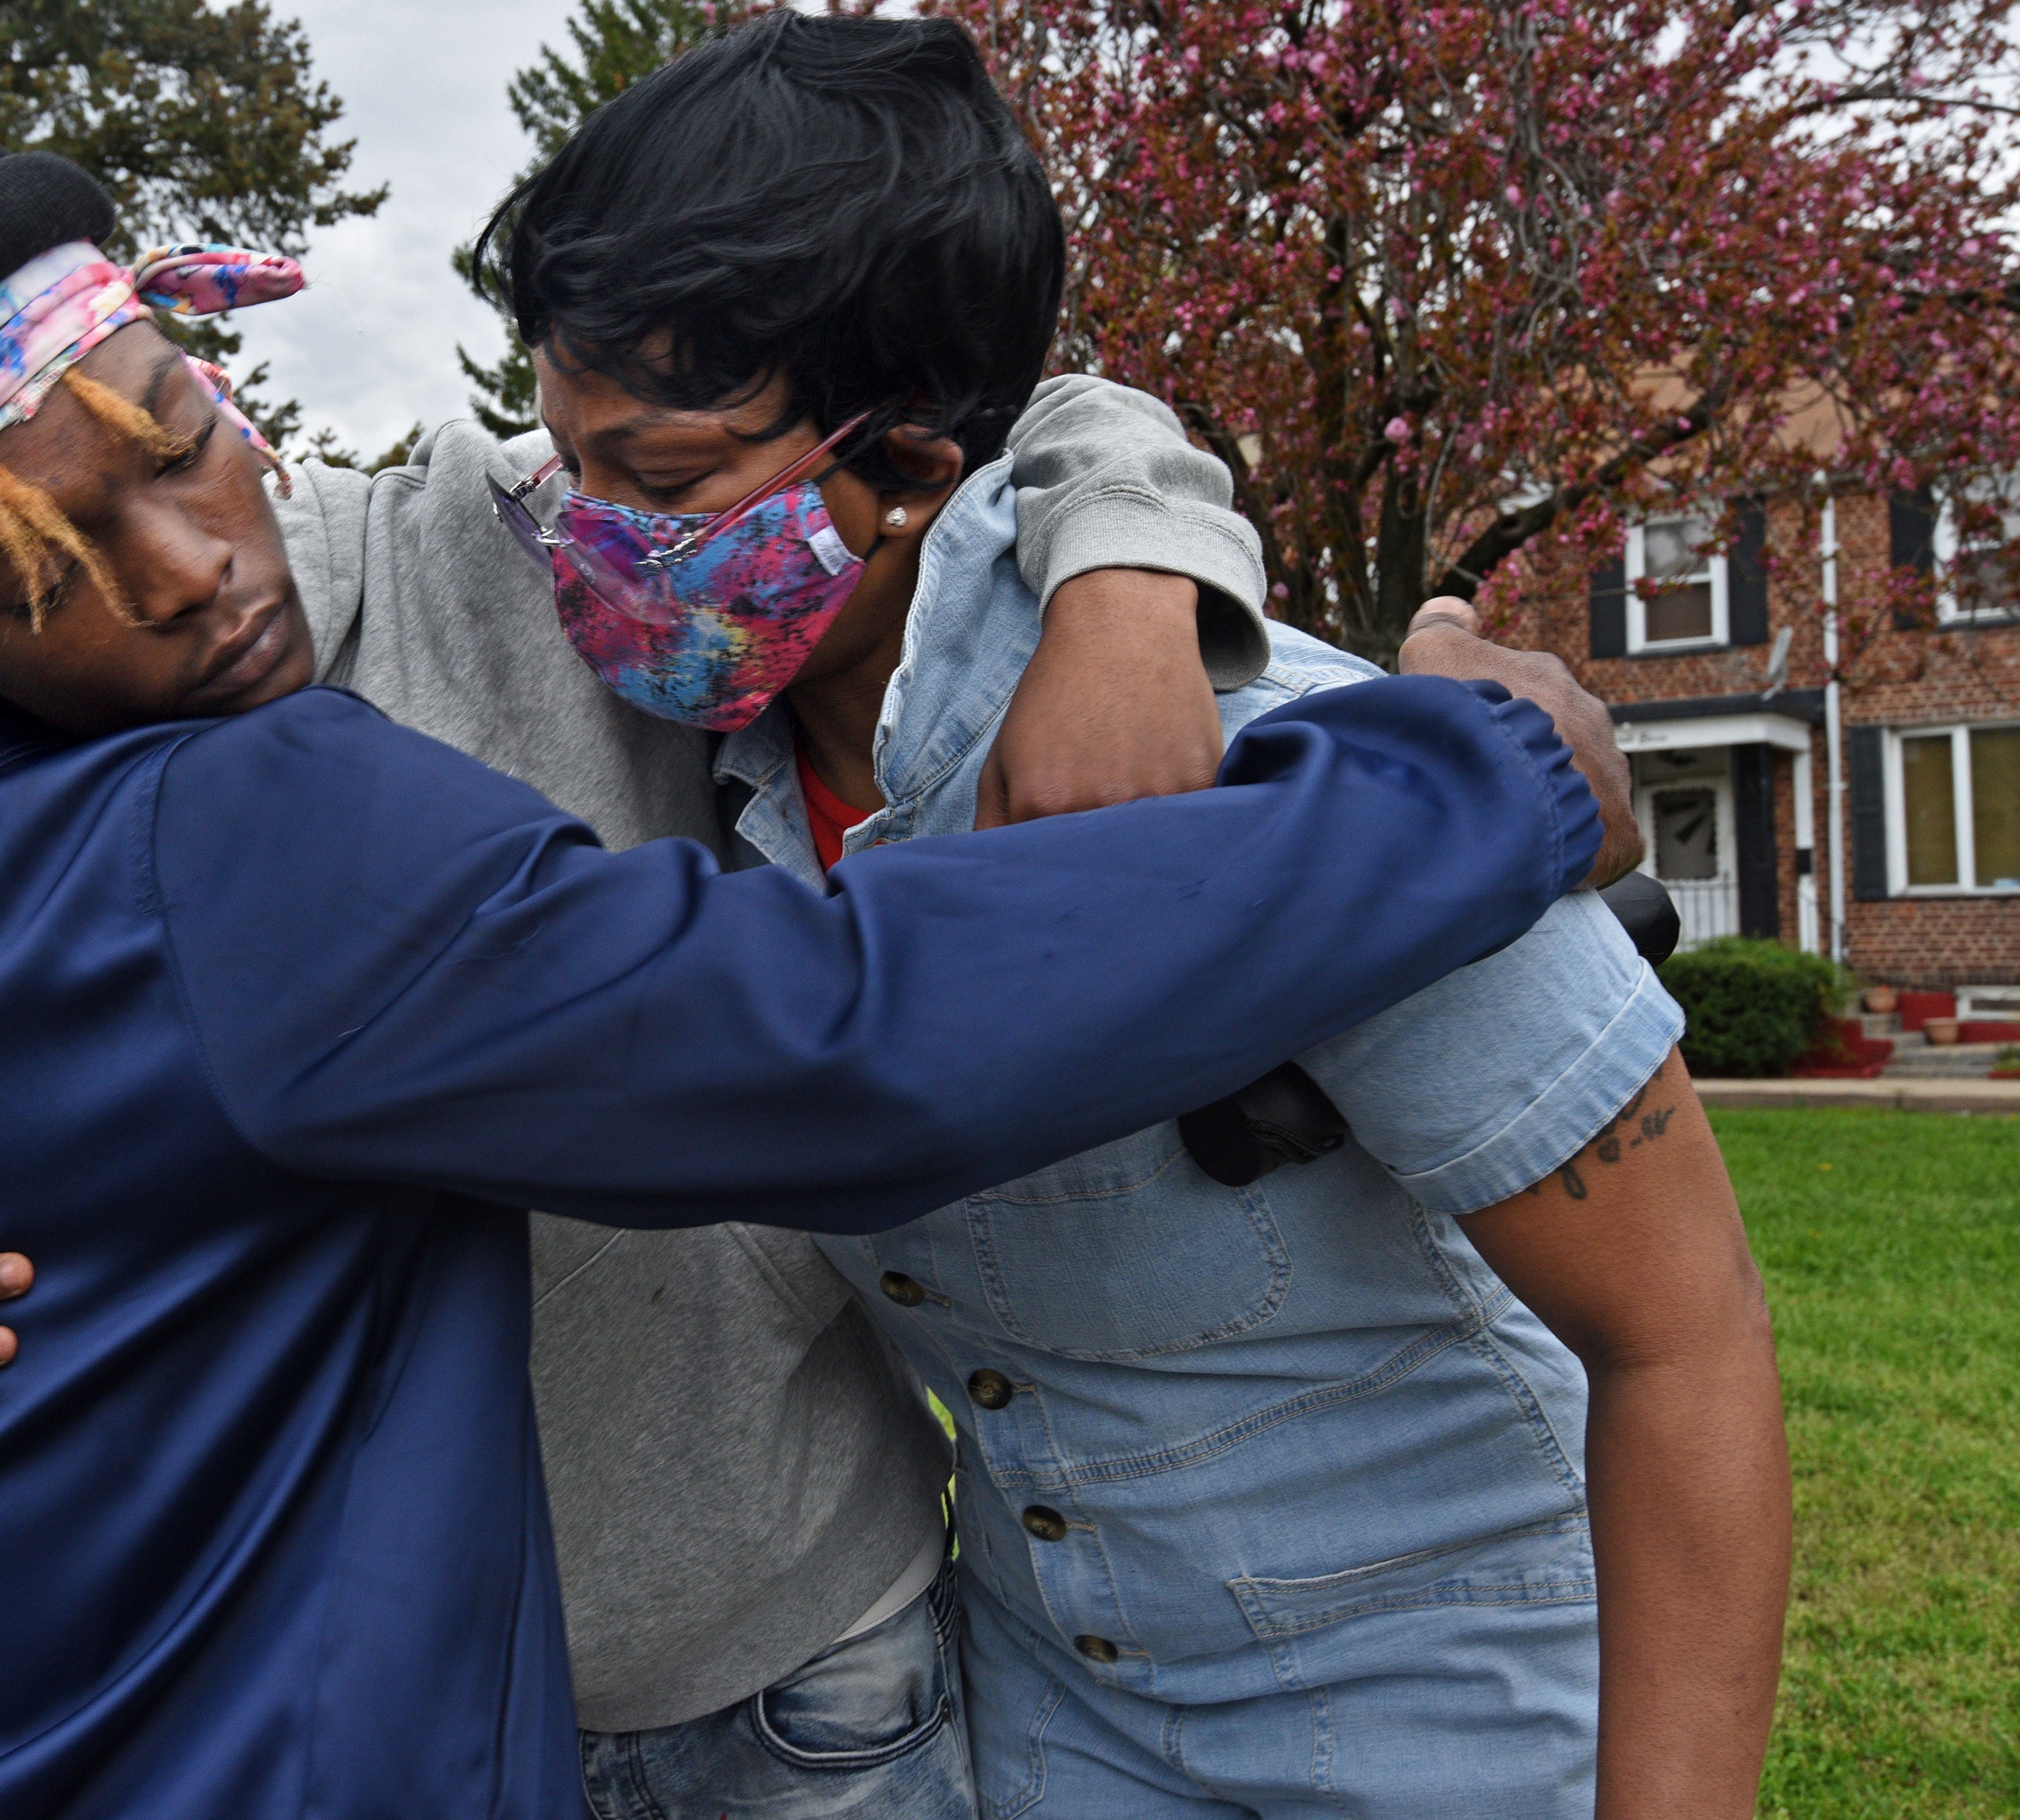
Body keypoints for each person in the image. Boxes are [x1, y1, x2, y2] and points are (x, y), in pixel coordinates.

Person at [0, 128, 1601, 1820]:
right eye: (34, 577)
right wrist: (1482, 780)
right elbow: (847, 1038)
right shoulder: (209, 839)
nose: (186, 572)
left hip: (747, 1656)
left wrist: (1139, 543)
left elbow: (904, 407)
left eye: (175, 446)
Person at [467, 14, 1789, 1819]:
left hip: (1458, 1712)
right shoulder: (703, 767)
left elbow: (1683, 1335)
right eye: (568, 463)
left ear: (914, 464)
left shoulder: (1284, 775)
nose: (588, 544)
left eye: (665, 486)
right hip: (1057, 1710)